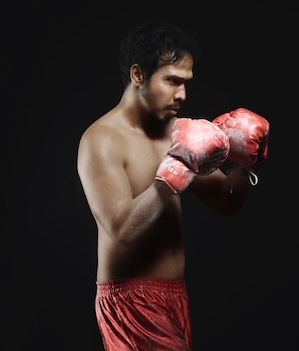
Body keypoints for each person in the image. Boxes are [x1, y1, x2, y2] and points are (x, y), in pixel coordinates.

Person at [76, 22, 270, 351]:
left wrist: (244, 164)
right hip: (132, 301)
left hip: (175, 296)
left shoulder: (175, 132)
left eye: (186, 83)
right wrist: (177, 170)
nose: (182, 94)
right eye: (172, 81)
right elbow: (121, 229)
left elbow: (226, 203)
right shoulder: (102, 140)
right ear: (138, 75)